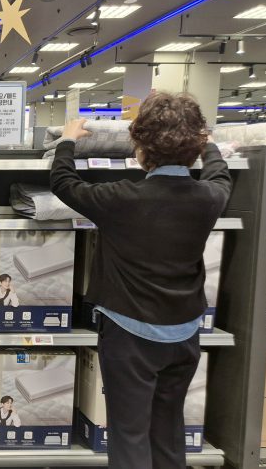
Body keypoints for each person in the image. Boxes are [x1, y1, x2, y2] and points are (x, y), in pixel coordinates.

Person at [49, 92, 232, 469]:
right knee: (168, 428)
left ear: (140, 149)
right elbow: (221, 175)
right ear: (194, 149)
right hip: (184, 333)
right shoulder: (209, 198)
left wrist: (67, 140)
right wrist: (210, 147)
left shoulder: (120, 198)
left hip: (129, 335)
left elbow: (64, 183)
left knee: (129, 432)